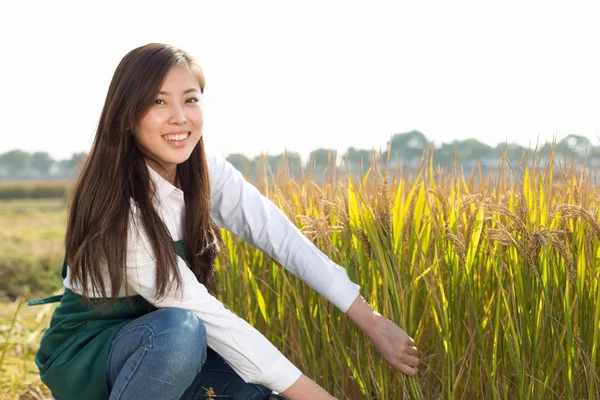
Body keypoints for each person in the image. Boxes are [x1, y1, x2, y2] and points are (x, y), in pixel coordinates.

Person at [31, 43, 419, 400]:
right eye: (158, 102)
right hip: (92, 356)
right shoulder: (122, 210)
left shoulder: (204, 169)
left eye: (191, 100)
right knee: (182, 334)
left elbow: (281, 238)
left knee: (252, 392)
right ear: (127, 114)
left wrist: (371, 321)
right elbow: (202, 316)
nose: (179, 118)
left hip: (166, 347)